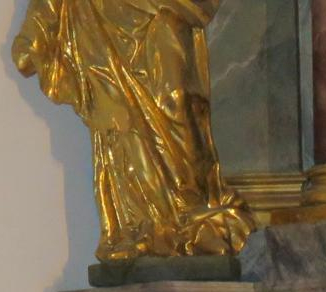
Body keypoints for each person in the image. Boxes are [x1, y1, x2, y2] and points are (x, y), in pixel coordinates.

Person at [13, 0, 254, 262]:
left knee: (176, 99)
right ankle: (147, 224)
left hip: (165, 9)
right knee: (124, 119)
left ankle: (190, 205)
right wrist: (35, 31)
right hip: (105, 18)